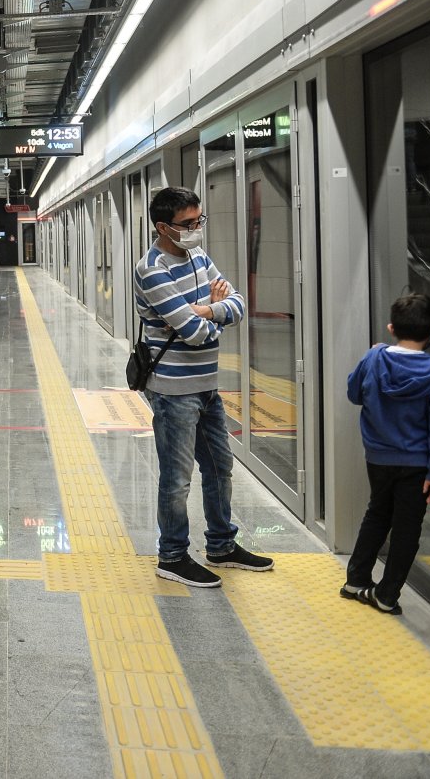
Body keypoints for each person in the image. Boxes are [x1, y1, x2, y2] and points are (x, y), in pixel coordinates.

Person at [134, 186, 274, 588]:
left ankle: (221, 544)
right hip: (173, 390)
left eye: (199, 221)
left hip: (208, 386)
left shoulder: (198, 257)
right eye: (188, 224)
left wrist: (206, 309)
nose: (196, 229)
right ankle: (173, 555)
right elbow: (193, 333)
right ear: (163, 227)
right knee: (177, 478)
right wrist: (210, 313)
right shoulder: (151, 269)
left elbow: (239, 304)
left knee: (219, 467)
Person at [343, 293, 430, 615]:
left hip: (377, 457)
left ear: (391, 328)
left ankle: (355, 580)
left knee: (377, 512)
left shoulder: (374, 358)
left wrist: (370, 355)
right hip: (417, 465)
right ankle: (386, 595)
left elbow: (353, 394)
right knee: (407, 528)